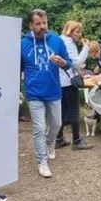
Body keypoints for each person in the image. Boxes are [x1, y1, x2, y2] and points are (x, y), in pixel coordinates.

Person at [21, 9, 72, 178]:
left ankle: (49, 143)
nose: (42, 26)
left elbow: (68, 64)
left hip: (53, 91)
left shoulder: (57, 41)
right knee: (39, 128)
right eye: (38, 24)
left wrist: (63, 62)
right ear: (31, 25)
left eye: (44, 23)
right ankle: (42, 161)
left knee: (57, 124)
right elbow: (15, 68)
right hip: (34, 92)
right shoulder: (23, 44)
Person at [56, 20, 94, 150]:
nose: (80, 34)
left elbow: (70, 63)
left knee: (62, 111)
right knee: (74, 111)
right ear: (69, 31)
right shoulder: (68, 42)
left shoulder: (60, 40)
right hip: (68, 82)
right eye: (77, 31)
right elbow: (76, 63)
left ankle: (59, 139)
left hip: (60, 81)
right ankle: (77, 141)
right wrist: (86, 48)